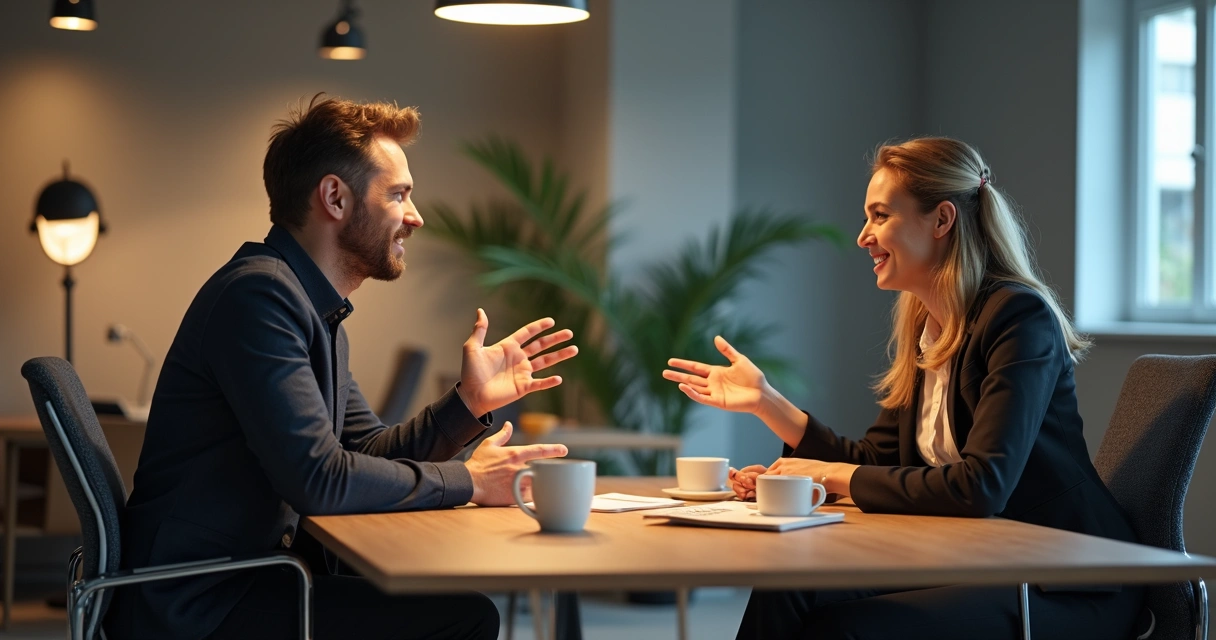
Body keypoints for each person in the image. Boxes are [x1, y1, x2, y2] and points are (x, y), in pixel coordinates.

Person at [104, 95, 578, 640]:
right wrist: (468, 481)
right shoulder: (259, 299)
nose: (416, 216)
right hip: (200, 602)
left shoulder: (310, 309)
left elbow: (366, 453)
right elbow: (319, 482)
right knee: (464, 617)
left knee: (452, 607)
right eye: (399, 194)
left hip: (245, 581)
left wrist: (466, 405)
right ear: (334, 197)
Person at [662, 137, 1144, 639]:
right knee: (785, 587)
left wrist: (829, 477)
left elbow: (982, 487)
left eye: (879, 216)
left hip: (1063, 580)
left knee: (843, 628)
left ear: (941, 220)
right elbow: (878, 461)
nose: (862, 236)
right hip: (977, 560)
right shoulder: (927, 325)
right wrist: (769, 403)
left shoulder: (1018, 318)